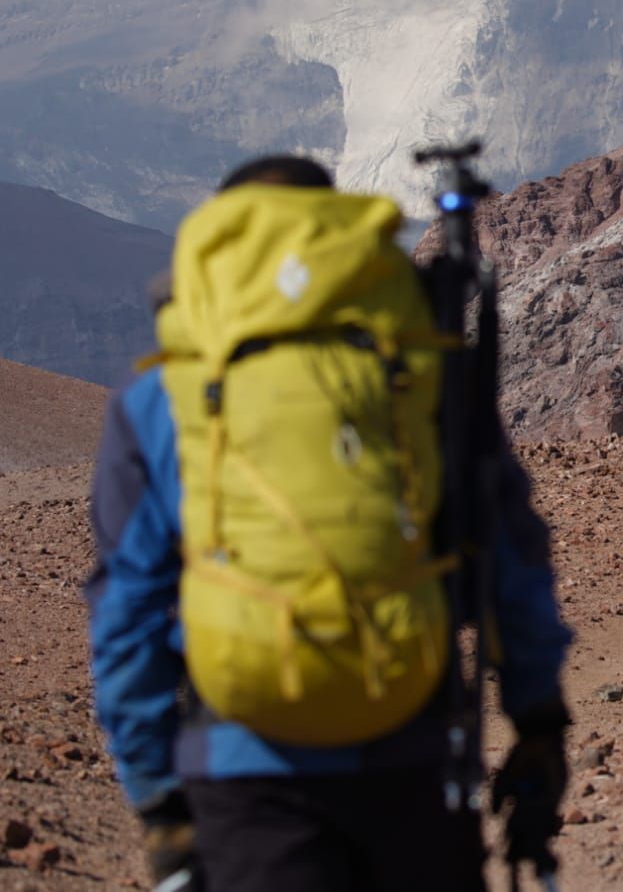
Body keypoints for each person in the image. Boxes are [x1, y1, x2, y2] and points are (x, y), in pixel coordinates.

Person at [85, 155, 572, 892]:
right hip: (414, 750)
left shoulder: (160, 397)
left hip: (243, 769)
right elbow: (509, 558)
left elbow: (127, 611)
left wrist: (159, 797)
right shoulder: (423, 374)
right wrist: (538, 724)